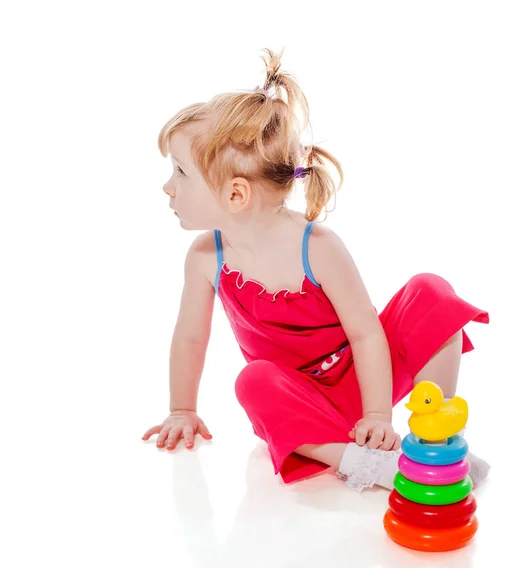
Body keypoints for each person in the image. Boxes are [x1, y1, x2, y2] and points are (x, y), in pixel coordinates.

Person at [142, 47, 490, 492]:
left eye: (180, 172)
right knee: (254, 380)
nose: (168, 186)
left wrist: (378, 416)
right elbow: (190, 338)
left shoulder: (319, 247)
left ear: (235, 195)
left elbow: (366, 334)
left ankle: (435, 437)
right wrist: (182, 409)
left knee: (431, 292)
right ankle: (361, 463)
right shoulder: (205, 257)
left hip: (365, 380)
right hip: (296, 401)